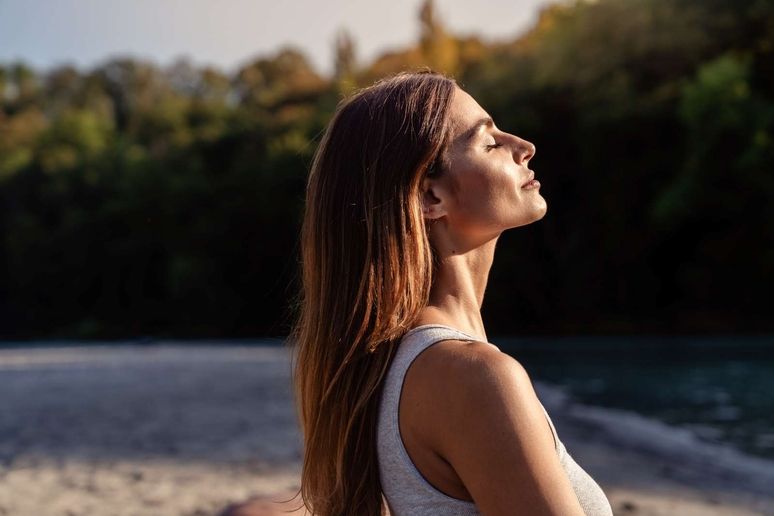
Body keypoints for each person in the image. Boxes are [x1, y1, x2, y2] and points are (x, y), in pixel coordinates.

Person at [290, 69, 613, 516]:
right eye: (489, 142)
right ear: (429, 197)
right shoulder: (474, 378)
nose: (524, 146)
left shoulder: (392, 369)